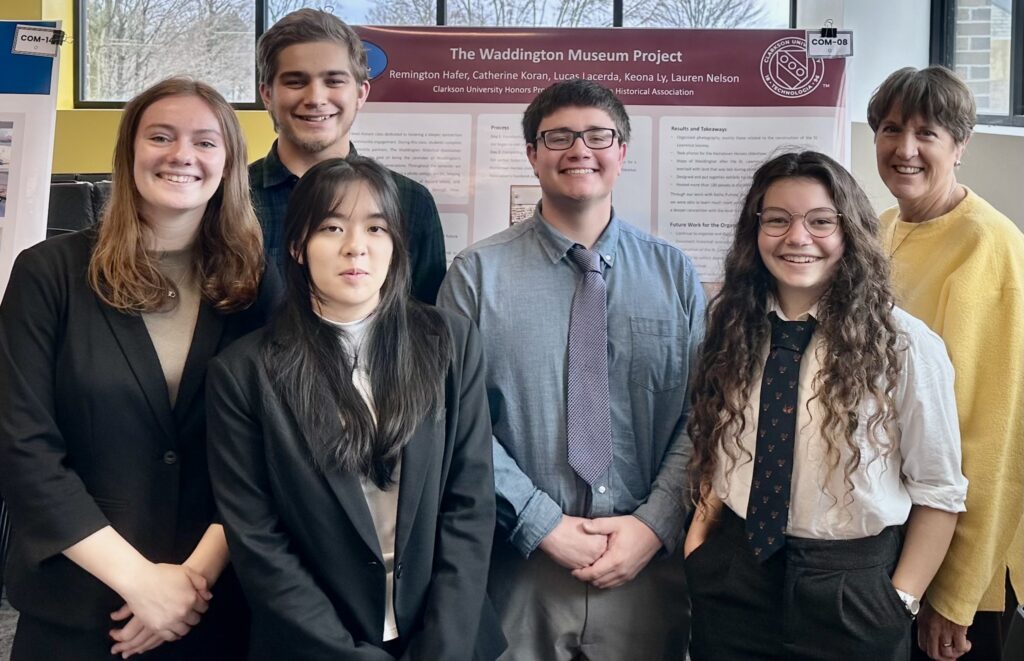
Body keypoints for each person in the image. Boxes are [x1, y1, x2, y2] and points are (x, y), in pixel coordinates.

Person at [0, 77, 277, 660]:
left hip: (216, 610)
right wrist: (140, 583)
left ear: (228, 164)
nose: (182, 155)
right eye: (160, 136)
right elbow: (23, 446)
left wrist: (187, 587)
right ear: (129, 154)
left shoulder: (259, 288)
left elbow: (271, 450)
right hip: (77, 609)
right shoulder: (48, 274)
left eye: (205, 142)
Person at [438, 79, 704, 661]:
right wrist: (542, 524)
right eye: (557, 137)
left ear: (622, 152)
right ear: (532, 155)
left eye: (597, 135)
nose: (579, 149)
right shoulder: (475, 276)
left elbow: (703, 416)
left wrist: (654, 524)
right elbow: (453, 421)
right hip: (518, 566)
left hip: (648, 571)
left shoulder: (674, 275)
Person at [206, 156, 506, 660]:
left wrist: (442, 645)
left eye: (375, 228)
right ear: (298, 247)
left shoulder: (448, 342)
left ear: (395, 245)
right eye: (331, 227)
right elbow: (258, 540)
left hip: (449, 639)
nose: (355, 247)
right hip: (315, 646)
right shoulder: (243, 373)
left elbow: (470, 502)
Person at [683, 151, 968, 661]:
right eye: (777, 220)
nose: (797, 238)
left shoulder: (904, 345)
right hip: (733, 578)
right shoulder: (729, 328)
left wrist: (899, 601)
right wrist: (701, 539)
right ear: (755, 231)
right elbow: (712, 438)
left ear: (850, 232)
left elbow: (939, 490)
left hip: (851, 594)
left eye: (820, 221)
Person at [867, 66, 1024, 661]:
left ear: (959, 146)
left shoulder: (990, 248)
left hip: (961, 567)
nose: (904, 149)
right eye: (890, 129)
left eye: (926, 133)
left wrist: (957, 594)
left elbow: (994, 437)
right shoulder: (884, 229)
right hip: (900, 542)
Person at [250, 8, 446, 303]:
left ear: (361, 93)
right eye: (295, 81)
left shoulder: (410, 202)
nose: (315, 99)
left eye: (334, 81)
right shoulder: (229, 198)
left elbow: (426, 327)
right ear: (267, 95)